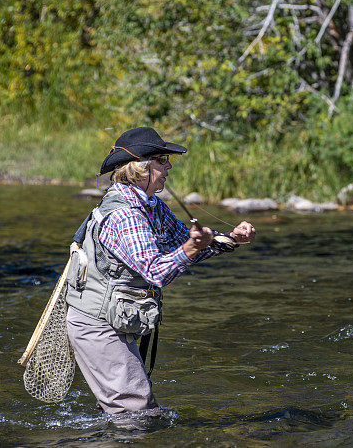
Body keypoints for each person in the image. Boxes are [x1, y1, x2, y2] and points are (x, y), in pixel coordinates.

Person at [64, 127, 256, 415]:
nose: (169, 167)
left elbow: (182, 239)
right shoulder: (126, 215)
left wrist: (231, 239)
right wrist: (191, 248)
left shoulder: (151, 204)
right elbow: (157, 271)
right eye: (162, 160)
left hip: (120, 318)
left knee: (128, 412)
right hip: (98, 325)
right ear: (139, 169)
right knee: (137, 412)